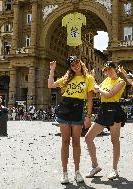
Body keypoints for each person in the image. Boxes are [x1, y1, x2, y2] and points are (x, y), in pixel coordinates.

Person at [48, 55, 94, 184]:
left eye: (77, 63)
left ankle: (77, 172)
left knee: (76, 142)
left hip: (78, 110)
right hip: (64, 110)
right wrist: (52, 69)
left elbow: (90, 99)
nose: (76, 66)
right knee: (65, 141)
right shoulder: (67, 78)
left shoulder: (88, 78)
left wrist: (88, 116)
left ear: (80, 63)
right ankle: (64, 172)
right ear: (70, 67)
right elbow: (50, 85)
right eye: (73, 65)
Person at [85, 61, 126, 180]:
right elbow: (99, 94)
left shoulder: (121, 81)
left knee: (114, 140)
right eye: (106, 70)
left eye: (110, 69)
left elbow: (109, 94)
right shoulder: (105, 80)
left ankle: (114, 169)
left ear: (115, 69)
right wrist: (94, 84)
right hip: (103, 109)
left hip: (114, 109)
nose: (108, 72)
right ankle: (95, 166)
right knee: (88, 138)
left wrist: (98, 88)